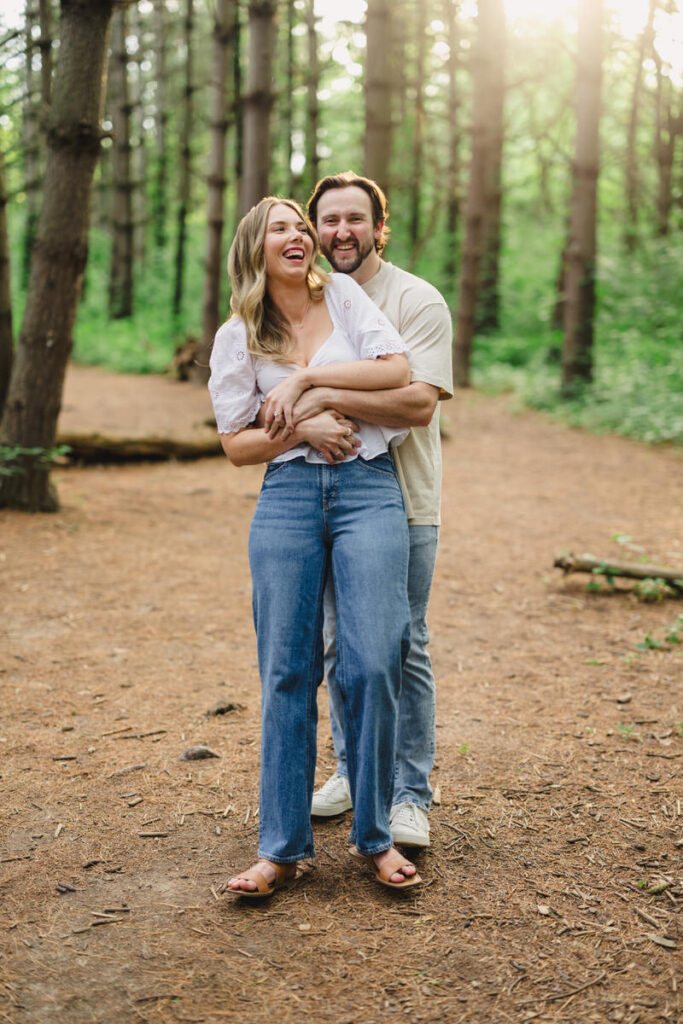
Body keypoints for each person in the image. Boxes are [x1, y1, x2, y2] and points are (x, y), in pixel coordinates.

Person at [208, 196, 423, 895]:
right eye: (282, 229)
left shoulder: (349, 297)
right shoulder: (236, 335)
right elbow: (238, 445)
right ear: (256, 250)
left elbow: (395, 371)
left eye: (302, 226)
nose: (299, 236)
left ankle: (374, 838)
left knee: (369, 662)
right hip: (288, 498)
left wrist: (303, 382)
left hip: (368, 490)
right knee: (287, 672)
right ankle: (280, 848)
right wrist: (301, 429)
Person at [295, 172, 453, 849]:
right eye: (328, 220)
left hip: (406, 497)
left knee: (399, 642)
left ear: (377, 228)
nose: (341, 232)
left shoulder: (416, 299)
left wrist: (320, 390)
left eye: (355, 219)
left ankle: (409, 793)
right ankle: (352, 772)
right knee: (336, 641)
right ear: (313, 232)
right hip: (322, 495)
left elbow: (418, 403)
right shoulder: (306, 301)